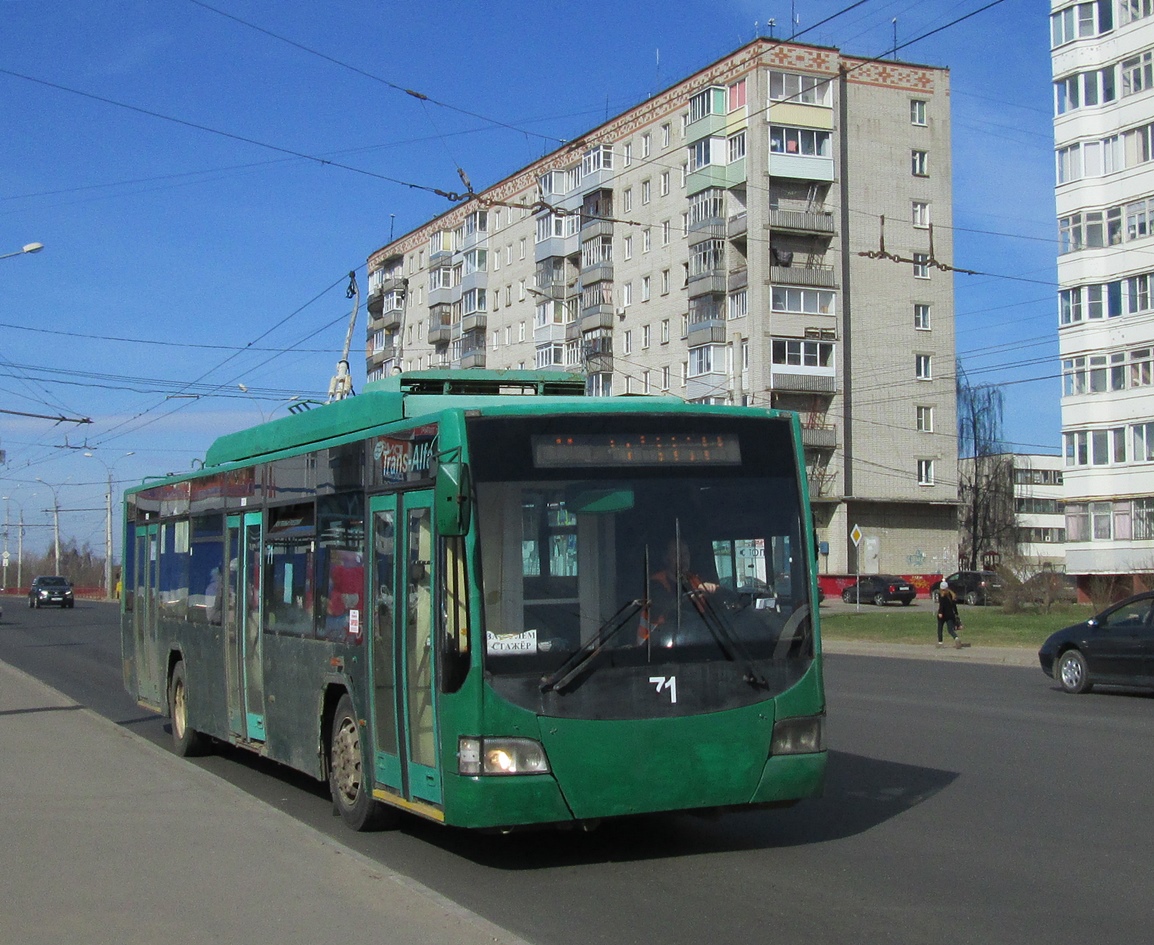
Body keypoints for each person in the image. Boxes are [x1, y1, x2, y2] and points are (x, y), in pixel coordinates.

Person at [640, 539, 719, 643]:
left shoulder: (696, 581)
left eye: (686, 554)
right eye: (677, 554)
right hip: (656, 646)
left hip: (694, 640)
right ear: (666, 559)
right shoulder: (654, 584)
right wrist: (692, 598)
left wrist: (712, 589)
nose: (683, 558)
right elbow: (668, 607)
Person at [936, 580, 963, 649]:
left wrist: (940, 613)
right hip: (950, 615)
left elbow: (941, 606)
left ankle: (940, 643)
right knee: (950, 630)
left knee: (940, 628)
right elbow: (954, 606)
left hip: (943, 615)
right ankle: (956, 638)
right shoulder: (952, 595)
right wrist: (956, 614)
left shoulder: (942, 596)